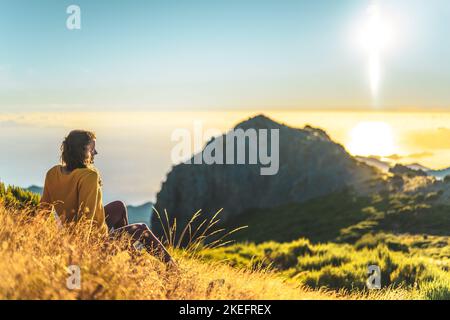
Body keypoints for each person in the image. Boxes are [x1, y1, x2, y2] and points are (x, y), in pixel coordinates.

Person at [40, 130, 175, 265]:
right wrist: (81, 255)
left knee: (119, 206)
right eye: (92, 148)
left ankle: (133, 260)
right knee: (141, 229)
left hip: (77, 237)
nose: (95, 152)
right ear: (81, 151)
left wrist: (33, 238)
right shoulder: (88, 176)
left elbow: (43, 211)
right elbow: (86, 220)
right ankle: (173, 268)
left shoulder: (53, 173)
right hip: (93, 246)